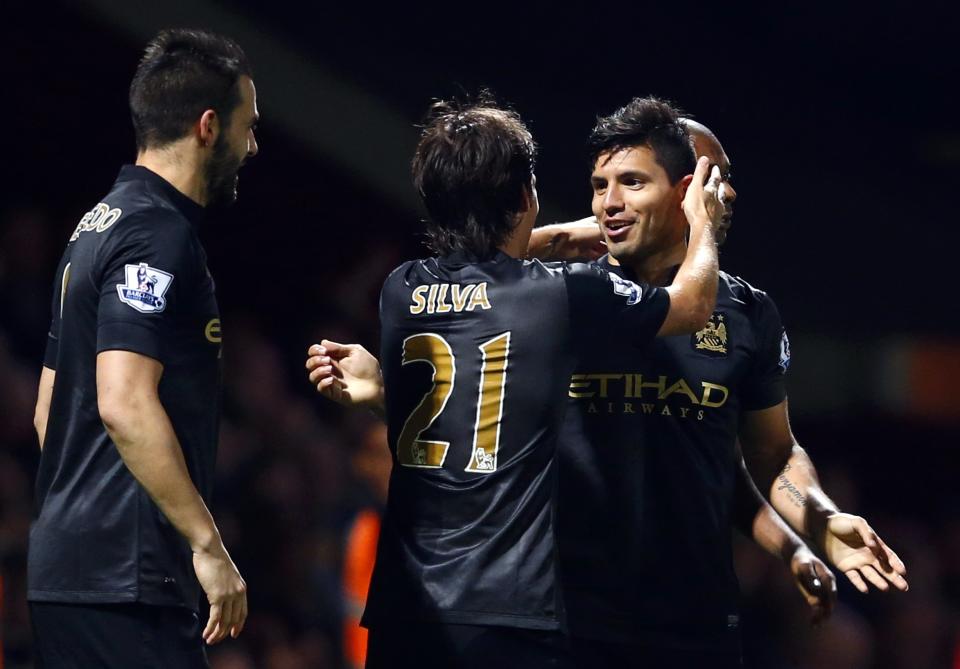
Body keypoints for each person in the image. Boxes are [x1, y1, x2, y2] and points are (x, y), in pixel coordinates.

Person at [308, 96, 724, 668]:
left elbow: (478, 276)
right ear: (525, 196)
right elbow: (693, 305)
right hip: (505, 611)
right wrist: (702, 221)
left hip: (406, 611)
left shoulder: (399, 290)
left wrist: (386, 394)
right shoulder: (561, 294)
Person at [29, 28, 258, 668]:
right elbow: (123, 402)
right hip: (129, 587)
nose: (255, 145)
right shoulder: (159, 235)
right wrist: (206, 545)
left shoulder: (95, 227)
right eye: (248, 126)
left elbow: (50, 414)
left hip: (67, 575)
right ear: (208, 126)